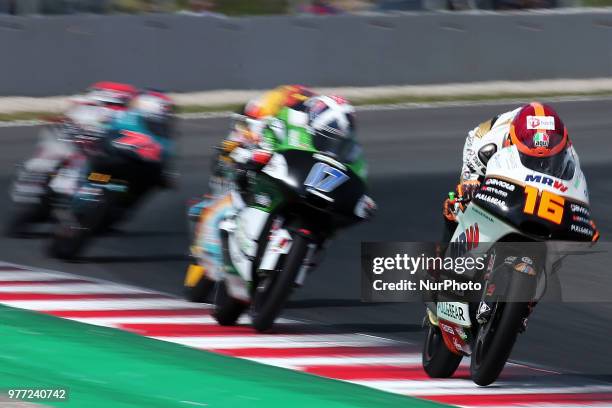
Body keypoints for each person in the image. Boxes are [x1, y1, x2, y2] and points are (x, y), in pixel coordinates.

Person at [442, 101, 597, 240]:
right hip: (486, 159)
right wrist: (470, 182)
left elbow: (574, 193)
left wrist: (582, 220)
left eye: (546, 161)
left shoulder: (569, 155)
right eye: (533, 159)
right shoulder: (487, 144)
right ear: (510, 142)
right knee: (460, 205)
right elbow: (471, 167)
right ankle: (445, 254)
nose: (540, 165)